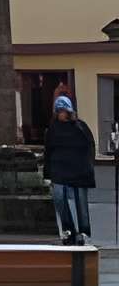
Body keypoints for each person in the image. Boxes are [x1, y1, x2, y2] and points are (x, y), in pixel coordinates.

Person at [41, 94, 97, 246]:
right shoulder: (53, 129)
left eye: (62, 110)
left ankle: (83, 232)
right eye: (58, 111)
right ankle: (68, 230)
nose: (60, 114)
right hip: (59, 168)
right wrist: (47, 174)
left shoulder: (80, 127)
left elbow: (90, 146)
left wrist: (89, 165)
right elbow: (48, 151)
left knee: (81, 204)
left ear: (69, 111)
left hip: (79, 169)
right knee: (59, 198)